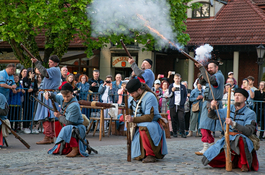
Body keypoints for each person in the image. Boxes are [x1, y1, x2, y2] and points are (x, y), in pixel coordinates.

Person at [202, 88, 259, 172]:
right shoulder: (229, 108)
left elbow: (248, 131)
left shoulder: (250, 113)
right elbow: (213, 116)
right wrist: (212, 107)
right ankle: (233, 161)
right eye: (235, 95)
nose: (236, 97)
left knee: (240, 139)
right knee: (209, 158)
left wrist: (233, 124)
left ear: (245, 98)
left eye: (239, 96)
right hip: (227, 138)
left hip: (243, 140)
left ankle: (244, 163)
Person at [125, 79, 167, 163]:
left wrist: (133, 119)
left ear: (139, 90)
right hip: (138, 123)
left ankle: (150, 155)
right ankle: (141, 154)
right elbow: (130, 110)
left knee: (144, 127)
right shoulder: (131, 98)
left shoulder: (149, 97)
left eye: (133, 93)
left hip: (152, 123)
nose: (131, 95)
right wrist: (126, 116)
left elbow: (149, 117)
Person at [46, 83, 89, 157]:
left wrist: (59, 116)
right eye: (64, 96)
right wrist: (48, 93)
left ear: (72, 93)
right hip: (70, 125)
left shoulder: (74, 105)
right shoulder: (63, 99)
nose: (66, 98)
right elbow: (54, 97)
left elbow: (69, 122)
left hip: (77, 127)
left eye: (68, 96)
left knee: (68, 128)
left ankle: (75, 148)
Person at [194, 60, 225, 155]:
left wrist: (202, 68)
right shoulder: (210, 76)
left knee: (204, 125)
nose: (209, 69)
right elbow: (203, 81)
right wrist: (201, 73)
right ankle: (210, 146)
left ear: (217, 68)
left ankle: (208, 146)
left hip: (213, 103)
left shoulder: (218, 76)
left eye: (211, 67)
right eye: (208, 68)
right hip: (207, 103)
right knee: (205, 126)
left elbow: (212, 81)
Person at [31, 55, 61, 144]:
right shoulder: (55, 70)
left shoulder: (54, 69)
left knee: (46, 116)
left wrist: (37, 63)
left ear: (55, 63)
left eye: (51, 62)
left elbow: (44, 72)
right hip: (47, 94)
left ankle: (48, 136)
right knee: (49, 116)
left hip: (47, 95)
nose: (48, 63)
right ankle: (50, 136)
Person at [168, 73, 187, 138]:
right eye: (176, 78)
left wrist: (182, 102)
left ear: (180, 79)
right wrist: (172, 91)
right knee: (173, 119)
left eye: (178, 78)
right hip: (173, 105)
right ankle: (175, 132)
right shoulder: (171, 86)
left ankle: (182, 132)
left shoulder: (183, 87)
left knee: (181, 119)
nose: (177, 80)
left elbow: (185, 96)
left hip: (180, 105)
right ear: (173, 79)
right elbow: (169, 96)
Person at [22, 68, 38, 134]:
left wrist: (32, 90)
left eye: (33, 73)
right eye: (31, 73)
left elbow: (36, 88)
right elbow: (26, 85)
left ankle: (29, 126)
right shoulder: (25, 79)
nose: (32, 74)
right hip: (26, 98)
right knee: (26, 112)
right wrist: (29, 79)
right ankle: (25, 126)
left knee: (31, 112)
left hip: (32, 97)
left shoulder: (35, 80)